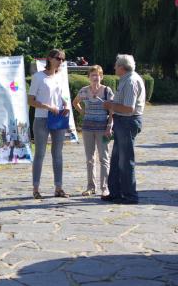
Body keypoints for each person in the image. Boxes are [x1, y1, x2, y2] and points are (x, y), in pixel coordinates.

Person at [102, 54, 145, 204]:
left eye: (116, 64)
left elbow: (128, 108)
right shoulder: (127, 79)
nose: (114, 67)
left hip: (127, 121)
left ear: (121, 67)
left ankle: (129, 195)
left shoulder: (130, 81)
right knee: (116, 159)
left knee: (125, 160)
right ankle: (115, 192)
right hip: (123, 122)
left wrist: (110, 105)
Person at [28, 49, 70, 199]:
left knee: (57, 154)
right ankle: (36, 188)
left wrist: (65, 105)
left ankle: (59, 187)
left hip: (58, 118)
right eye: (58, 58)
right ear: (50, 59)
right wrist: (47, 107)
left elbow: (63, 96)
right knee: (40, 153)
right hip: (42, 119)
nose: (61, 61)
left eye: (63, 59)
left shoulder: (60, 77)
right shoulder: (38, 77)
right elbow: (30, 101)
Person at [73, 65, 114, 196]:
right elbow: (75, 102)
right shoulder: (84, 91)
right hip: (87, 128)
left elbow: (112, 110)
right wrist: (82, 112)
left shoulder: (107, 91)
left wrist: (109, 126)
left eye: (98, 75)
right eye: (93, 75)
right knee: (89, 158)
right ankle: (91, 186)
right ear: (89, 77)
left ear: (101, 77)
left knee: (104, 158)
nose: (95, 77)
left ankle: (105, 187)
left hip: (103, 128)